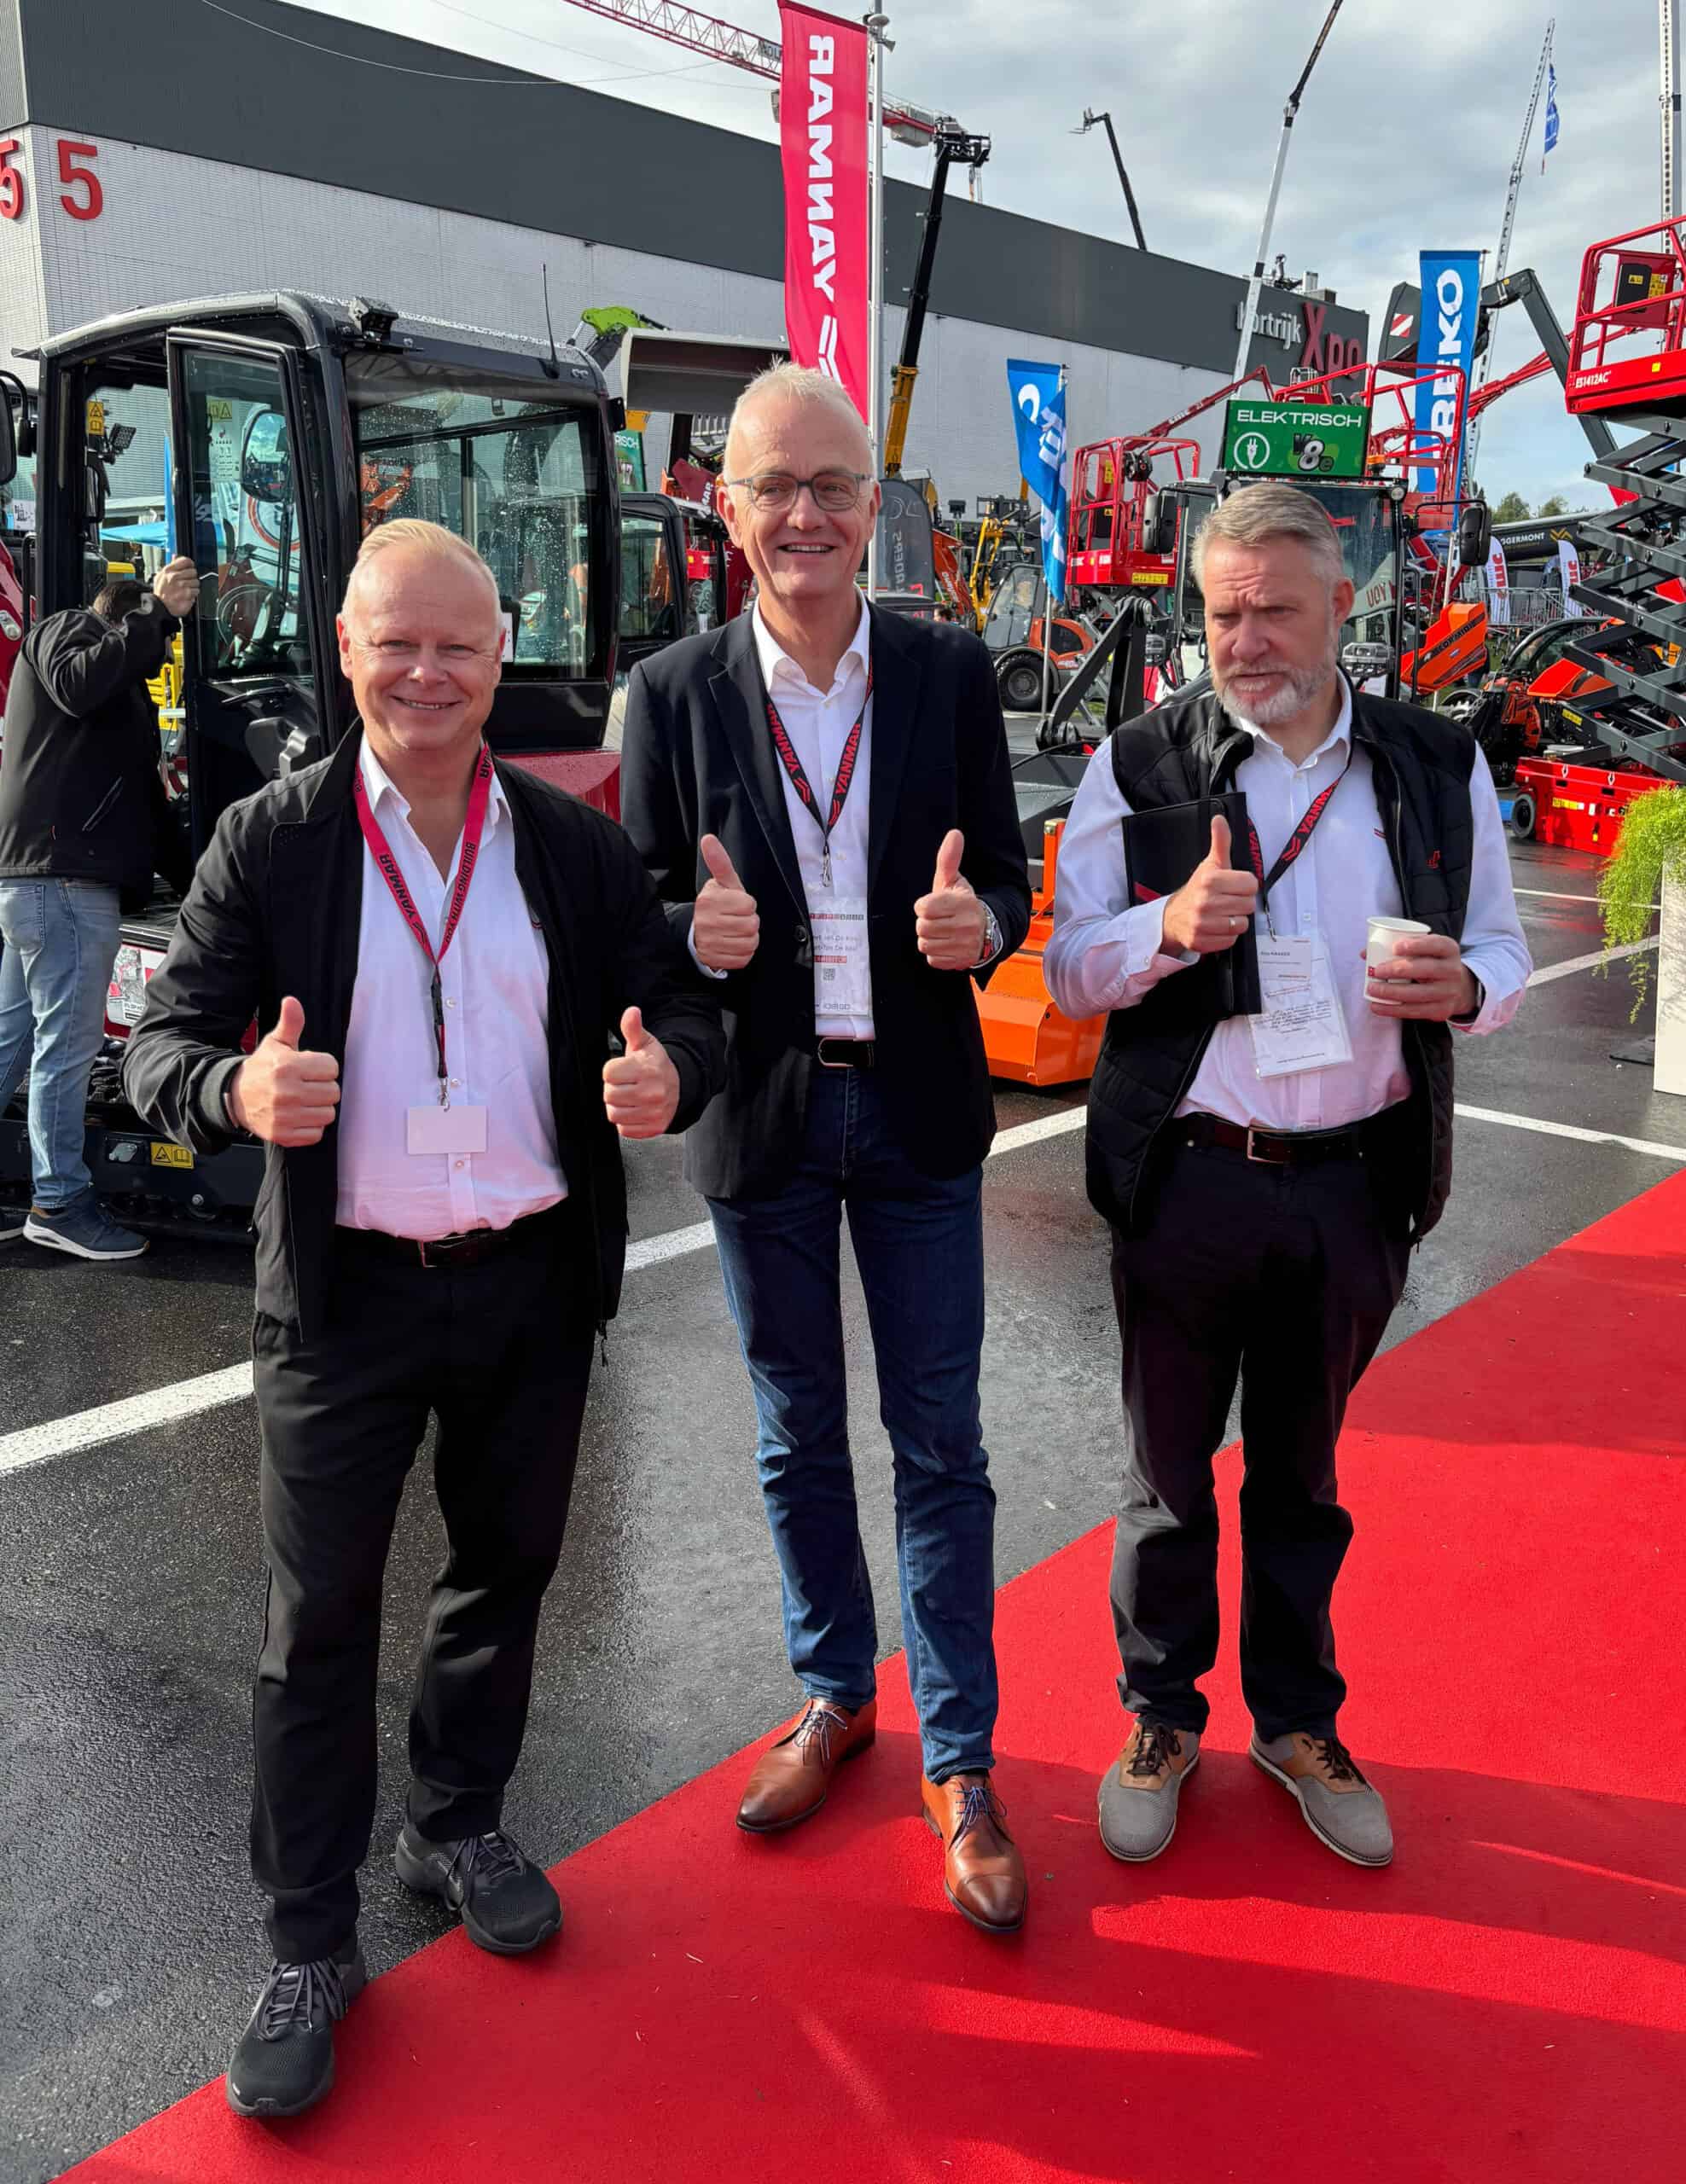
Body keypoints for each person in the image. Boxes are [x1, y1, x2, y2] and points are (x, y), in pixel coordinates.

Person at [121, 520, 724, 2119]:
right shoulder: (272, 841)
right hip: (349, 1296)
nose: (429, 674)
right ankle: (307, 1936)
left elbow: (682, 1007)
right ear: (347, 650)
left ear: (500, 651)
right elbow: (162, 1044)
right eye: (397, 643)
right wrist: (235, 1090)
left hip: (528, 1276)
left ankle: (455, 1820)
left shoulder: (571, 846)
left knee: (504, 1572)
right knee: (316, 1621)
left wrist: (673, 1071)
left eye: (459, 645)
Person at [1044, 483, 1531, 1871]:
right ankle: (1159, 1717)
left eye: (1273, 610)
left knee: (1303, 1481)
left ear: (1339, 606)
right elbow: (1070, 969)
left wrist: (1464, 988)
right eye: (1222, 615)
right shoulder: (1143, 760)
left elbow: (1503, 949)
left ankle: (1297, 1723)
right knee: (1166, 1480)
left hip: (1354, 1186)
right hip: (1188, 1176)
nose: (1245, 641)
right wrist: (1165, 926)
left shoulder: (1433, 763)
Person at [620, 365, 1034, 1937]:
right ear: (726, 508)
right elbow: (636, 906)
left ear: (875, 506)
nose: (804, 514)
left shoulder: (947, 672)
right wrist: (689, 932)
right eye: (773, 487)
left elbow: (1005, 878)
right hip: (768, 1115)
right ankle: (835, 1693)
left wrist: (981, 926)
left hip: (918, 1107)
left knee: (940, 1444)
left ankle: (962, 1759)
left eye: (832, 486)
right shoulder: (672, 692)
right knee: (795, 1435)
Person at [0, 559, 199, 1258]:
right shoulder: (65, 633)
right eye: (156, 640)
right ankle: (59, 1203)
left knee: (11, 1040)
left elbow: (147, 806)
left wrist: (207, 886)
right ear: (122, 618)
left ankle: (42, 1193)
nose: (159, 658)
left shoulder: (116, 701)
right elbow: (79, 684)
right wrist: (158, 613)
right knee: (65, 1049)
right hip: (64, 882)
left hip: (43, 882)